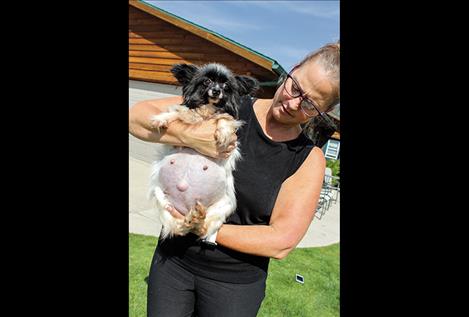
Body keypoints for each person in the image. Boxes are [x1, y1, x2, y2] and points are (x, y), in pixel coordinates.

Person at [129, 41, 340, 317]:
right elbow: (136, 118)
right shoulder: (229, 101)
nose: (292, 103)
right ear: (292, 70)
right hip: (173, 261)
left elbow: (281, 241)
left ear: (325, 111)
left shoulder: (307, 158)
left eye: (310, 104)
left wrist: (205, 228)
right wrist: (190, 136)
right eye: (295, 87)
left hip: (232, 286)